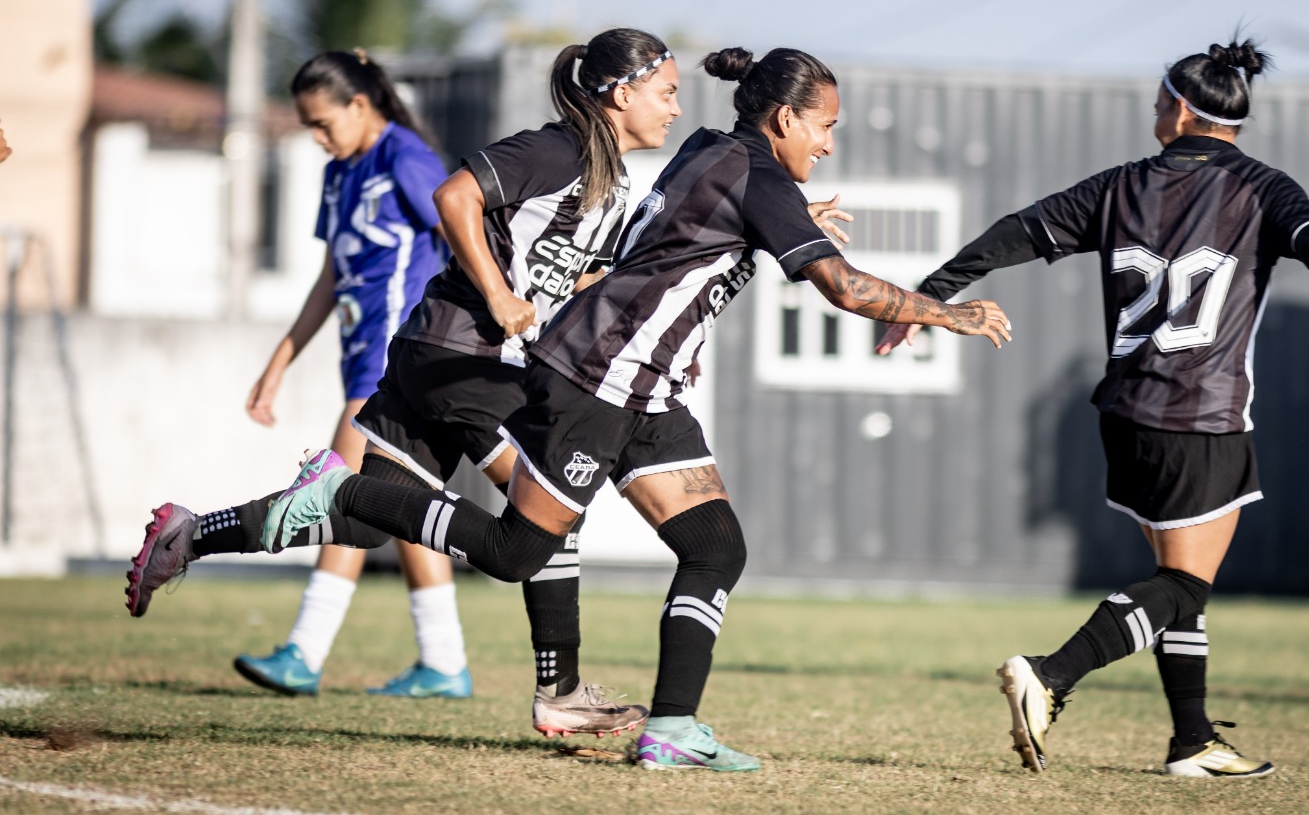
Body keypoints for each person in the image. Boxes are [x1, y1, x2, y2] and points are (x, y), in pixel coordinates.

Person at [142, 44, 1011, 771]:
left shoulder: (706, 151)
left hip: (626, 383)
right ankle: (357, 512)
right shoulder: (587, 152)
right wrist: (951, 311)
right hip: (558, 374)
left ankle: (663, 726)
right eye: (824, 126)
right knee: (520, 549)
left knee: (713, 544)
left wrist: (744, 255)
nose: (827, 143)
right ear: (783, 118)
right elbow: (845, 288)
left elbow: (653, 249)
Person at [878, 38, 1309, 778]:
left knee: (1176, 582)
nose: (1152, 109)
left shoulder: (1118, 186)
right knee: (1182, 587)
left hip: (1126, 415)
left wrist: (928, 296)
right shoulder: (1265, 188)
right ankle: (1051, 675)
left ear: (1178, 107)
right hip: (1202, 419)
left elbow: (1015, 232)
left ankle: (1192, 740)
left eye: (1155, 99)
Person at [221, 49, 475, 699]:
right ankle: (445, 663)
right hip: (362, 359)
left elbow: (466, 242)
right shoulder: (340, 175)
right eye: (307, 126)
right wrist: (278, 363)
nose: (316, 137)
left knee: (340, 489)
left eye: (322, 123)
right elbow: (330, 278)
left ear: (361, 105)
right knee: (400, 506)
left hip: (401, 360)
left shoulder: (407, 160)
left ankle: (304, 651)